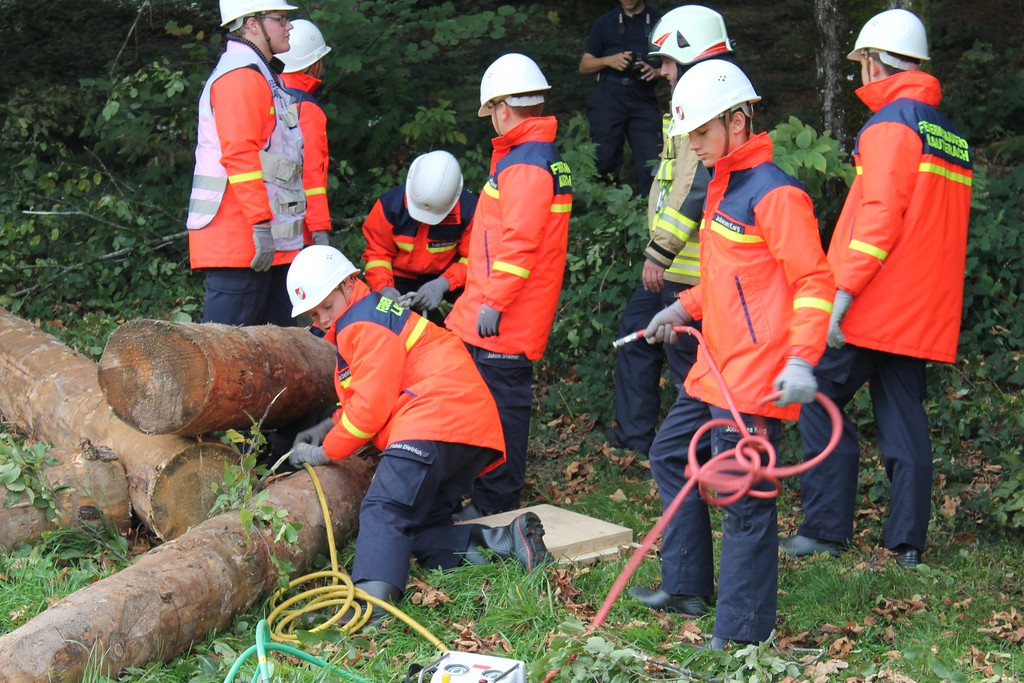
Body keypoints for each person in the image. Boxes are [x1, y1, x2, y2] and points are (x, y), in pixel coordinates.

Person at [626, 60, 834, 649]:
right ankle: (688, 586)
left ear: (738, 123)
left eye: (701, 133)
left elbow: (813, 283)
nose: (694, 145)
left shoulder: (775, 194)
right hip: (714, 366)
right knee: (671, 456)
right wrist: (684, 308)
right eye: (688, 134)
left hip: (753, 376)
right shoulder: (723, 184)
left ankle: (743, 636)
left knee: (744, 503)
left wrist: (801, 359)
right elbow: (733, 279)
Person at [781, 8, 973, 568]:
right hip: (923, 308)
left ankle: (824, 529)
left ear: (874, 63)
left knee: (817, 395)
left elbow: (880, 217)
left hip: (875, 300)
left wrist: (843, 293)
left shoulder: (890, 123)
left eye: (860, 63)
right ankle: (908, 543)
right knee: (904, 419)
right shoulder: (949, 135)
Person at [285, 245, 552, 611]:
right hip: (464, 427)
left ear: (350, 284)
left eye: (326, 307)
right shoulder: (372, 315)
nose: (323, 319)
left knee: (384, 510)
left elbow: (369, 409)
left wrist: (326, 450)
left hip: (434, 418)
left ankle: (371, 612)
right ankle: (507, 541)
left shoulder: (362, 323)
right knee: (422, 531)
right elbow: (371, 390)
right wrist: (327, 425)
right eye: (314, 314)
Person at [446, 53, 573, 518]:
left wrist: (494, 302)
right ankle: (484, 502)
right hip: (498, 312)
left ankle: (496, 509)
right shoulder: (530, 158)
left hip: (506, 320)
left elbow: (519, 244)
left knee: (502, 416)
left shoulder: (526, 164)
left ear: (502, 107)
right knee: (488, 409)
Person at [606, 5, 734, 457]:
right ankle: (638, 442)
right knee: (637, 335)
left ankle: (696, 456)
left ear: (693, 56)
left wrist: (659, 252)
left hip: (687, 267)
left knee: (688, 364)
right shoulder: (699, 106)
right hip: (674, 263)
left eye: (667, 61)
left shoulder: (711, 112)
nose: (661, 71)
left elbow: (694, 187)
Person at [186, 0, 306, 326]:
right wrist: (260, 225)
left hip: (263, 240)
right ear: (252, 24)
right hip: (242, 242)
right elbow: (240, 156)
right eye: (280, 19)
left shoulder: (263, 77)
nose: (289, 25)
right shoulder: (241, 78)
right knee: (227, 358)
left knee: (276, 357)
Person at [361, 151, 477, 325]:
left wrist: (444, 283)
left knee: (472, 311)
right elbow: (377, 255)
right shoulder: (388, 207)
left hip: (447, 277)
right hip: (397, 279)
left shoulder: (469, 212)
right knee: (381, 319)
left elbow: (475, 259)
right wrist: (383, 288)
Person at [579, 0, 664, 197]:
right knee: (603, 157)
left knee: (652, 158)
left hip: (643, 96)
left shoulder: (659, 21)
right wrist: (608, 60)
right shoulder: (605, 22)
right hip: (609, 96)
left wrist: (657, 72)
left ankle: (647, 210)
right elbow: (584, 65)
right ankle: (604, 209)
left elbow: (676, 63)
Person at [279, 19, 333, 248]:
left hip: (263, 221)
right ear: (314, 65)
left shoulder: (268, 94)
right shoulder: (306, 109)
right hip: (297, 230)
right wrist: (320, 229)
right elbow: (312, 174)